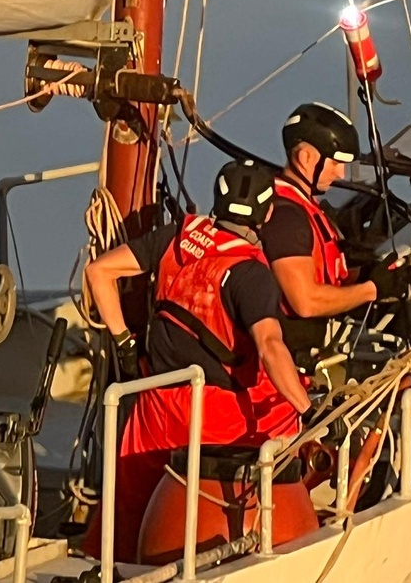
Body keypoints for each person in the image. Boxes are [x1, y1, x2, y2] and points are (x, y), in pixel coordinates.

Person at [82, 159, 311, 563]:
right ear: (268, 213)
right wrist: (309, 410)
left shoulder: (176, 238)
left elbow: (99, 271)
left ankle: (104, 565)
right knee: (279, 414)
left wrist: (123, 343)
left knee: (125, 506)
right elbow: (271, 348)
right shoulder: (249, 274)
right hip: (212, 417)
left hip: (152, 405)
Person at [259, 102, 411, 363]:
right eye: (335, 163)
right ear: (305, 157)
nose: (341, 173)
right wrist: (371, 289)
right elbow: (305, 301)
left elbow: (323, 269)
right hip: (284, 363)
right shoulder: (285, 217)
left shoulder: (306, 206)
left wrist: (373, 273)